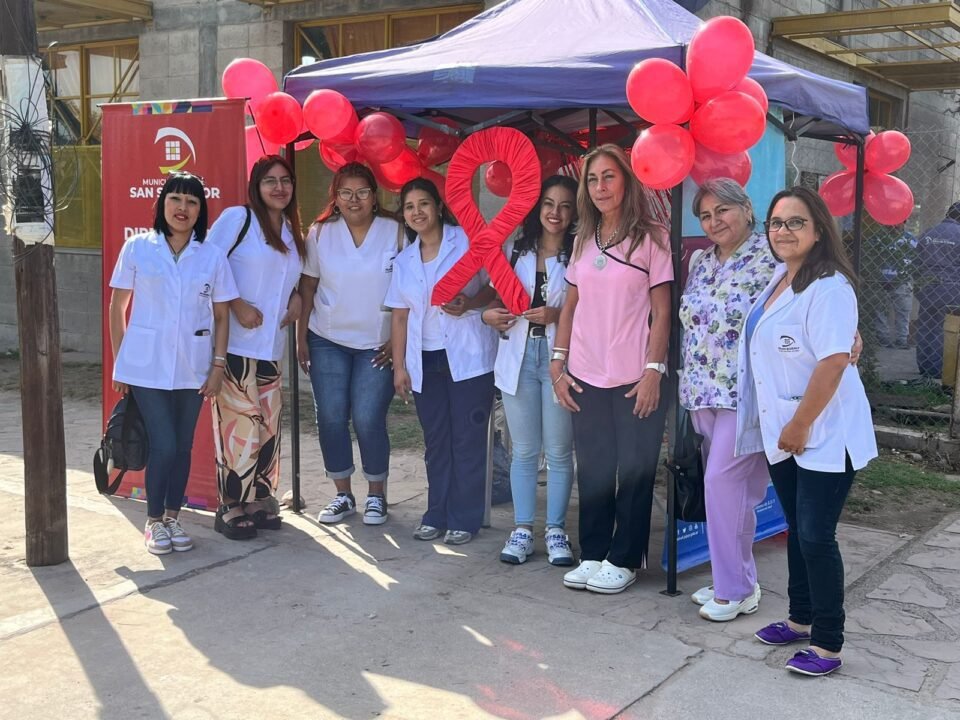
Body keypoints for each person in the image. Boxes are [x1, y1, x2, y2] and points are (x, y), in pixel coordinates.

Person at [740, 187, 877, 677]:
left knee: (817, 536)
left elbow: (834, 361)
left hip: (824, 432)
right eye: (776, 222)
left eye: (795, 222)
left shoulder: (830, 286)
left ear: (819, 230)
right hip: (785, 431)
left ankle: (827, 644)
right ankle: (800, 619)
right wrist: (787, 426)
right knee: (798, 530)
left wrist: (800, 424)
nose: (783, 231)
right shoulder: (780, 277)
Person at [550, 144, 673, 594]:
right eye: (592, 179)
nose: (600, 187)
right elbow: (570, 306)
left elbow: (662, 311)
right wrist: (558, 362)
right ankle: (595, 552)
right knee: (595, 467)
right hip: (585, 373)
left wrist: (654, 370)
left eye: (609, 177)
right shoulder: (583, 238)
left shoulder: (653, 238)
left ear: (627, 182)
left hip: (635, 377)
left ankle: (625, 558)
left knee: (636, 470)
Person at [108, 171, 237, 555]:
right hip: (145, 367)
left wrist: (218, 366)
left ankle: (172, 517)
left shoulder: (211, 256)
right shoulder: (137, 247)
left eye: (192, 201)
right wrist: (121, 363)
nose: (183, 208)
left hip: (193, 367)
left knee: (182, 446)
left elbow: (222, 315)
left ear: (201, 210)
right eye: (175, 199)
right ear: (161, 204)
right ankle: (152, 521)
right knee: (163, 443)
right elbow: (117, 306)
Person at [680, 178, 777, 620]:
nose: (713, 221)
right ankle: (736, 578)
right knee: (730, 493)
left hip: (747, 394)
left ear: (747, 209)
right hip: (702, 392)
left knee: (723, 483)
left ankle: (733, 590)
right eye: (705, 215)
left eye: (722, 210)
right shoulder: (701, 261)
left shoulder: (773, 257)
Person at [385, 177, 498, 545]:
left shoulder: (466, 241)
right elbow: (399, 316)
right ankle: (436, 513)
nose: (417, 212)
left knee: (467, 439)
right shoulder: (404, 261)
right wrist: (399, 366)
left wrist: (471, 302)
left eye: (423, 204)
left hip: (467, 357)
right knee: (436, 441)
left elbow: (495, 283)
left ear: (438, 206)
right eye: (409, 207)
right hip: (425, 359)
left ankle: (464, 519)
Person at [206, 155, 305, 540]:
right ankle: (230, 504)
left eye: (286, 180)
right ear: (256, 186)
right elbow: (207, 265)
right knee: (238, 426)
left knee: (267, 426)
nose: (279, 188)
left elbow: (285, 278)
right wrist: (236, 303)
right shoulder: (239, 219)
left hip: (270, 348)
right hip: (234, 345)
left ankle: (258, 499)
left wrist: (296, 296)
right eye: (270, 181)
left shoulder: (290, 230)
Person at [297, 163, 402, 526]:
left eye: (362, 192)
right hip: (327, 338)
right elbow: (308, 286)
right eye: (346, 193)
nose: (354, 200)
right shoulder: (321, 233)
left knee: (368, 417)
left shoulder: (396, 230)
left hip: (378, 343)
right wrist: (301, 336)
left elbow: (411, 286)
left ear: (375, 196)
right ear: (336, 198)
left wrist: (398, 339)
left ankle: (376, 493)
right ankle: (342, 494)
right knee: (330, 416)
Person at [482, 175, 578, 566]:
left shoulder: (580, 254)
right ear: (537, 208)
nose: (556, 213)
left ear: (575, 213)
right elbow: (494, 299)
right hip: (518, 357)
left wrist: (557, 314)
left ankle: (555, 531)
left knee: (558, 451)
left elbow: (592, 309)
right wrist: (488, 315)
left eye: (565, 206)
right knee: (523, 450)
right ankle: (522, 529)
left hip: (559, 359)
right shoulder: (515, 249)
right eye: (549, 204)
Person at [916, 202, 960, 378]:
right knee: (947, 328)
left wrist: (918, 287)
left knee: (926, 325)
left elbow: (916, 261)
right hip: (952, 288)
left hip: (927, 286)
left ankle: (924, 366)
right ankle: (940, 369)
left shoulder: (928, 233)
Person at [871, 223, 915, 349]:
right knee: (881, 311)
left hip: (901, 280)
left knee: (903, 311)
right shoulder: (878, 238)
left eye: (898, 222)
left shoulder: (909, 239)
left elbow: (916, 257)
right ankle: (884, 338)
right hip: (882, 280)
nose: (894, 225)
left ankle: (901, 339)